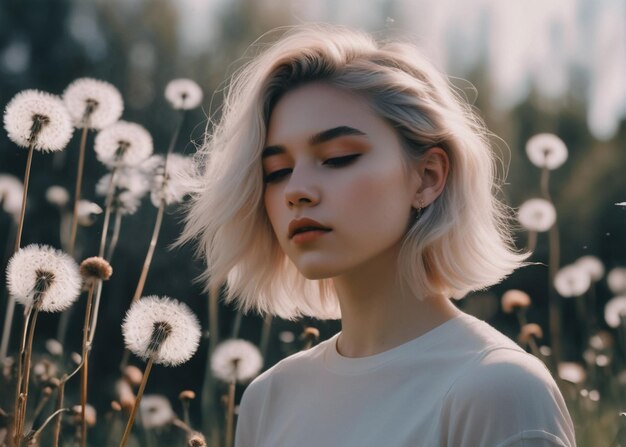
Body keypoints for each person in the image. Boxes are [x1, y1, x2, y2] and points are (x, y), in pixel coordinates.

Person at [180, 24, 576, 447]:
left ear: (428, 177)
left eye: (337, 158)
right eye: (276, 172)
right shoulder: (267, 399)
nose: (295, 190)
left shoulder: (499, 391)